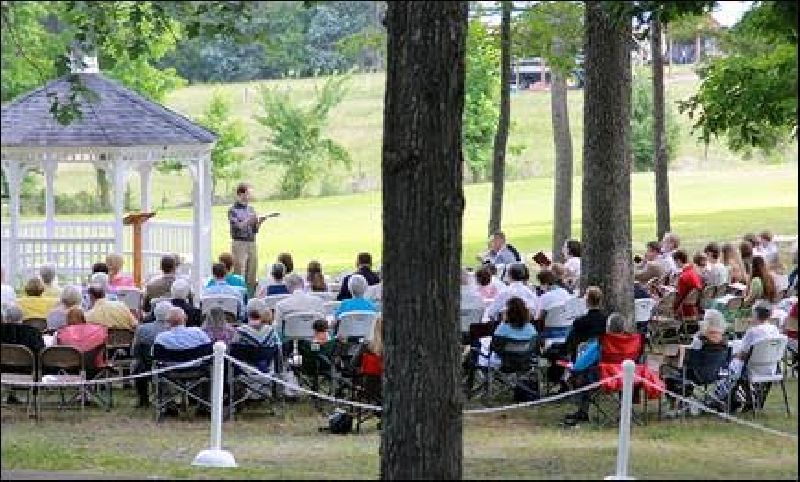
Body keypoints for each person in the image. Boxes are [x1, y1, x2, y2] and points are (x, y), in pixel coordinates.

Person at [229, 182, 272, 292]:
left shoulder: (251, 209)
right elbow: (238, 226)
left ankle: (250, 295)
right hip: (239, 243)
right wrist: (249, 220)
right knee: (239, 271)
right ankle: (239, 294)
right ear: (240, 194)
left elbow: (255, 230)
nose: (249, 197)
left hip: (252, 242)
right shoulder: (233, 210)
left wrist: (260, 222)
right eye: (247, 194)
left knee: (252, 271)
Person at [132, 301, 173, 407]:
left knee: (137, 365)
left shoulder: (142, 329)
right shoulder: (175, 331)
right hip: (174, 368)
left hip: (148, 367)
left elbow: (134, 352)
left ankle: (143, 398)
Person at [55, 307, 108, 378]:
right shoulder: (98, 330)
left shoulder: (61, 333)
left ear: (67, 320)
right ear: (83, 318)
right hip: (93, 366)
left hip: (70, 368)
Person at [234, 298, 282, 372]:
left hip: (246, 365)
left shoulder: (241, 330)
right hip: (266, 360)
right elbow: (278, 346)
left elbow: (234, 346)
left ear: (247, 313)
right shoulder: (271, 330)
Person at [672, 250, 702, 320]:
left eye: (675, 262)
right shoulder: (693, 272)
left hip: (684, 309)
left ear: (678, 261)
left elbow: (679, 296)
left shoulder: (683, 276)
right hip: (694, 307)